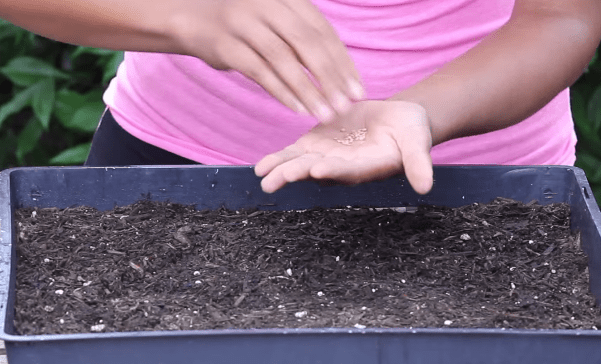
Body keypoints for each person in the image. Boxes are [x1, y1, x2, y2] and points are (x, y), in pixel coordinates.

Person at [1, 0, 600, 195]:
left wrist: (424, 113)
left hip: (480, 189)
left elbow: (564, 16)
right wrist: (179, 14)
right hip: (168, 169)